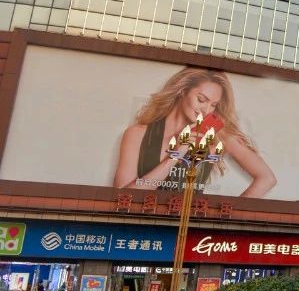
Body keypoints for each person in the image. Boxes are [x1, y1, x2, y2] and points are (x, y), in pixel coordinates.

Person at [113, 68, 277, 197]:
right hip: (138, 226)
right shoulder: (137, 134)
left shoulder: (216, 136)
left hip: (188, 227)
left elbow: (267, 179)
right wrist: (175, 155)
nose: (206, 110)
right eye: (201, 99)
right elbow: (122, 197)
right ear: (182, 91)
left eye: (213, 105)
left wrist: (229, 218)